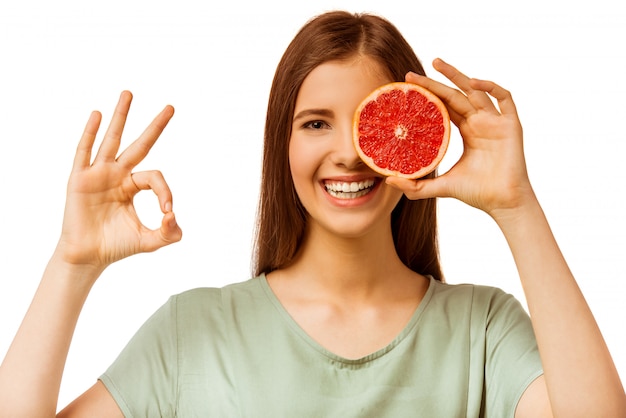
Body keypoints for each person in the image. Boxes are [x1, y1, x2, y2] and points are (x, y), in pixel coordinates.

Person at [0, 10, 624, 418]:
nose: (348, 153)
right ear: (283, 145)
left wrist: (518, 208)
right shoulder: (193, 332)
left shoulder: (481, 330)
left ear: (413, 137)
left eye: (370, 122)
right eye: (316, 123)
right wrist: (72, 264)